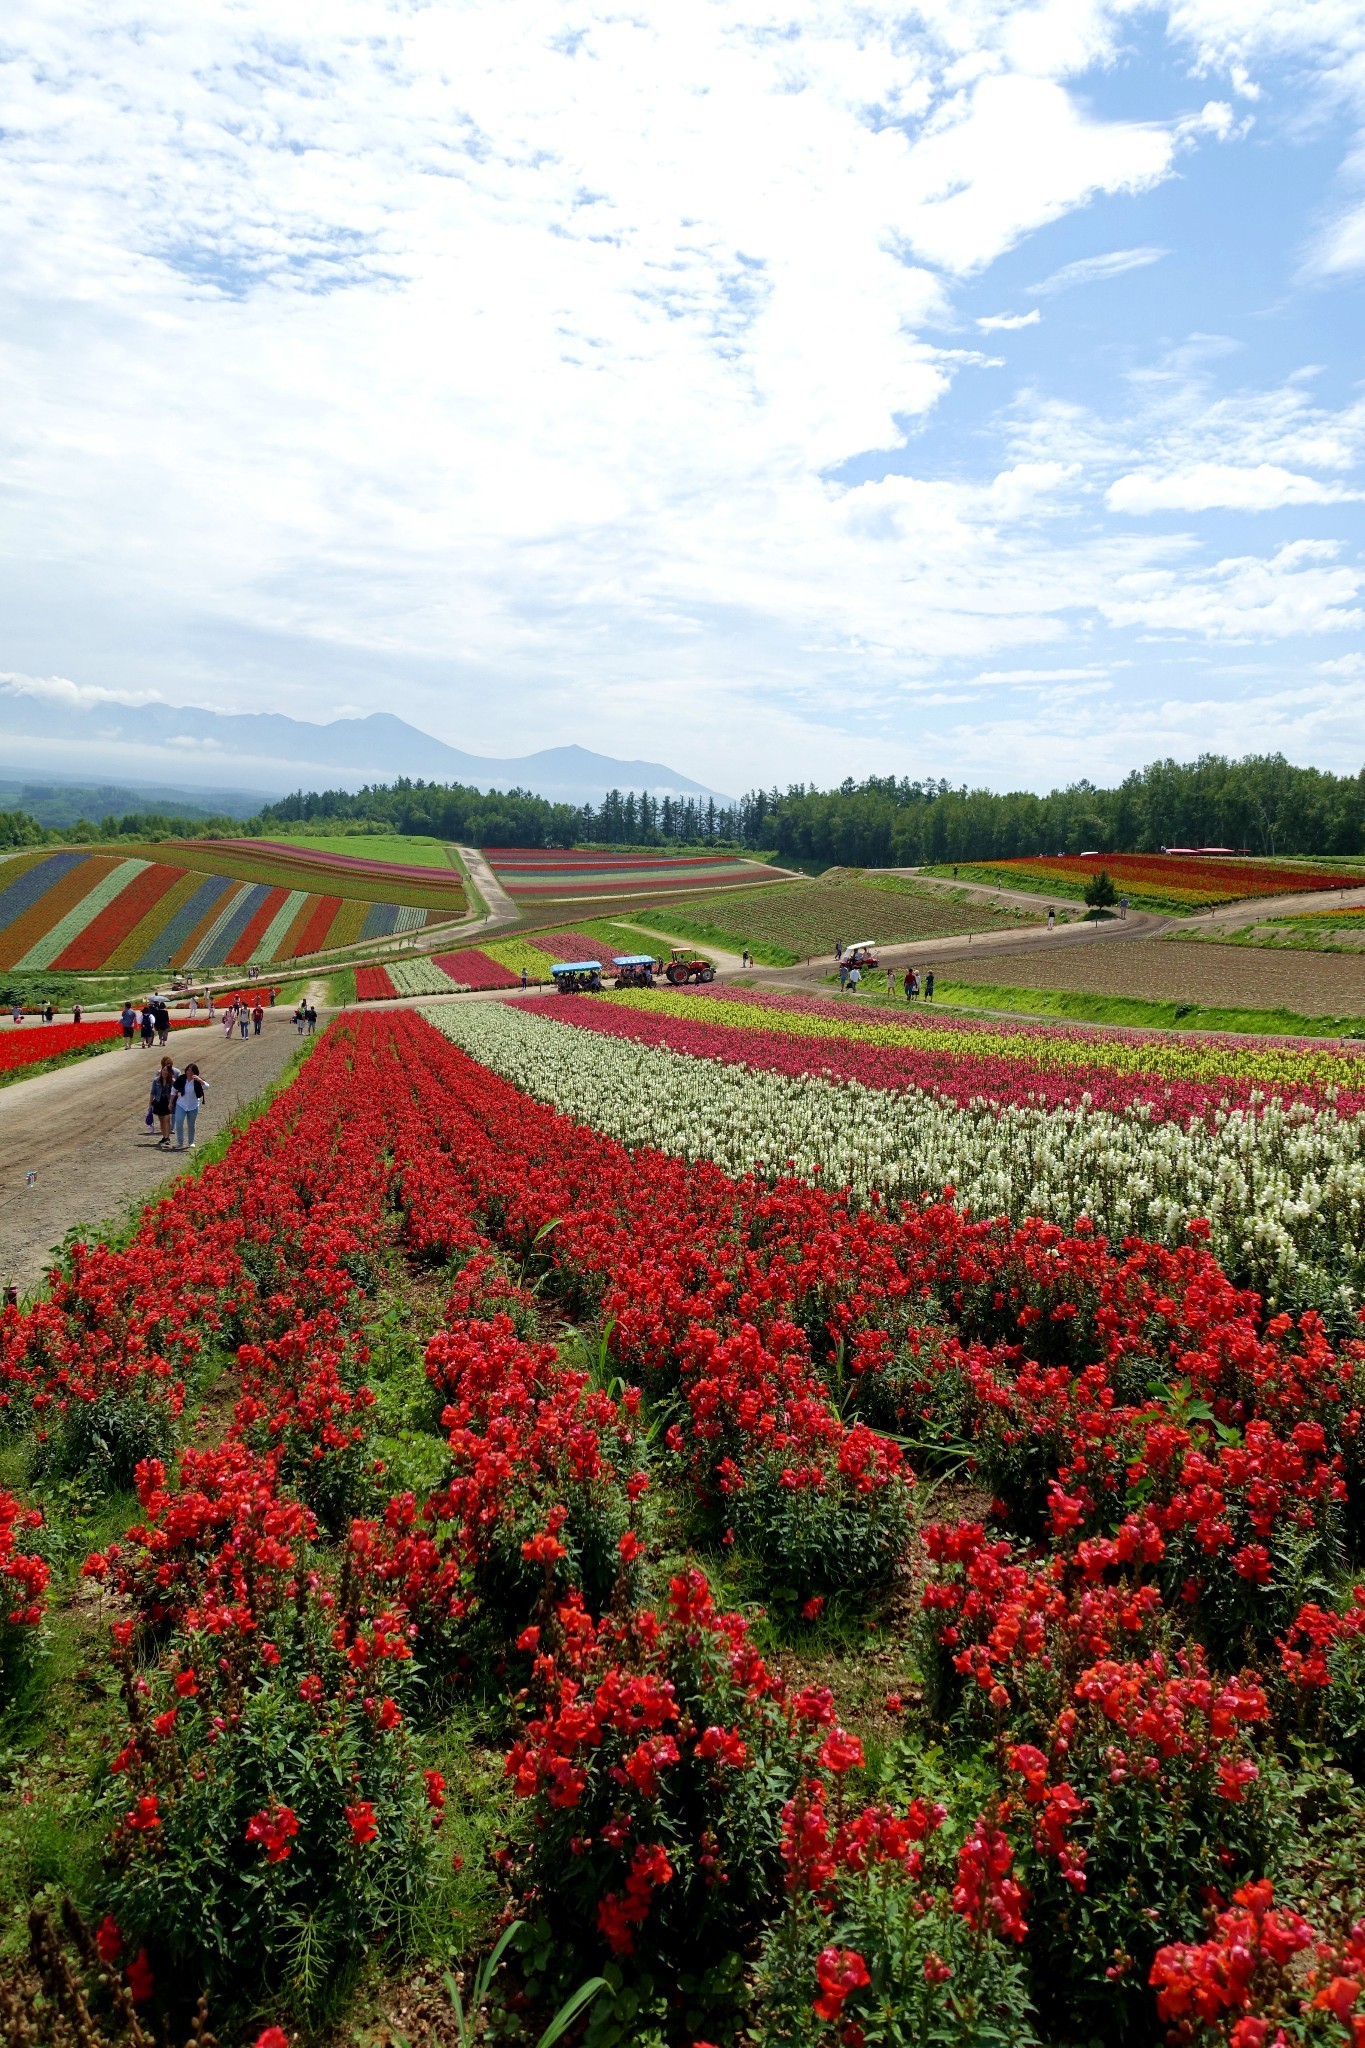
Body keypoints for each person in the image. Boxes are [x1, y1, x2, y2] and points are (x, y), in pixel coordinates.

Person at [172, 1062, 206, 1149]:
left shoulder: (197, 1081)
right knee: (179, 1122)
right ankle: (180, 1142)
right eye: (188, 1070)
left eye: (192, 1071)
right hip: (181, 1104)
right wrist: (170, 1102)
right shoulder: (182, 1079)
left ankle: (191, 1142)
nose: (190, 1073)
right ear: (186, 1071)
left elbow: (207, 1086)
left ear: (195, 1072)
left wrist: (200, 1080)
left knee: (191, 1124)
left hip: (193, 1106)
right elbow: (173, 1089)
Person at [148, 1056, 177, 1147]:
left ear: (169, 1073)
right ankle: (164, 1136)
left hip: (168, 1102)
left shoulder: (172, 1081)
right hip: (159, 1101)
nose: (164, 1072)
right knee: (161, 1120)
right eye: (163, 1070)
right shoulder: (156, 1081)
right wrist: (150, 1104)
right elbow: (152, 1093)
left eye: (166, 1071)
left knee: (167, 1119)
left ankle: (167, 1137)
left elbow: (175, 1092)